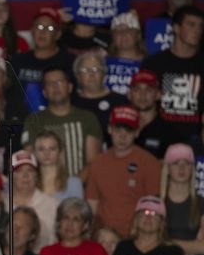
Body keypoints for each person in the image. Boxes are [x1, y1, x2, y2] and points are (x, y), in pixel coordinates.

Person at [85, 105, 162, 238]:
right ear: (109, 129)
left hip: (137, 236)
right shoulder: (97, 163)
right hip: (104, 236)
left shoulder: (149, 163)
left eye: (128, 130)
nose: (122, 135)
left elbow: (153, 207)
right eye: (117, 129)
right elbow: (92, 205)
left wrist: (142, 236)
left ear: (137, 132)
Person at [22, 67, 102, 179]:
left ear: (70, 87)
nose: (55, 87)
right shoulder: (34, 120)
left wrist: (73, 187)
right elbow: (29, 160)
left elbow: (93, 162)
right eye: (50, 83)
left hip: (80, 189)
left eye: (60, 82)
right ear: (44, 92)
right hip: (44, 188)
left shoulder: (87, 118)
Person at [141, 5, 204, 145]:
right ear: (175, 28)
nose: (197, 31)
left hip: (194, 142)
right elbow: (141, 100)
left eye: (200, 26)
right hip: (157, 139)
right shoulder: (153, 64)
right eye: (191, 25)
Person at [110, 196, 187, 255]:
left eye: (154, 214)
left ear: (162, 223)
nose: (148, 217)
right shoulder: (123, 247)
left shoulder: (174, 252)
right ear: (136, 219)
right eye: (144, 213)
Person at [40, 197, 114, 255]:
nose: (70, 224)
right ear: (59, 222)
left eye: (76, 219)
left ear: (85, 225)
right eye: (66, 218)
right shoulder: (47, 252)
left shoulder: (97, 250)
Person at [71, 51, 129, 146]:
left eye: (96, 69)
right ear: (77, 76)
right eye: (85, 70)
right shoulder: (70, 102)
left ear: (104, 73)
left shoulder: (120, 101)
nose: (91, 74)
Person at [160, 144, 204, 255]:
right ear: (167, 168)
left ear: (192, 168)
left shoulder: (201, 203)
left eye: (187, 163)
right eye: (176, 163)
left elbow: (203, 247)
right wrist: (191, 247)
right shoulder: (156, 202)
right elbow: (149, 242)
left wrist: (169, 243)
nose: (182, 168)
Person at [9, 8, 75, 87]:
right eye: (39, 27)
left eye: (50, 28)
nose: (43, 32)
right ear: (32, 31)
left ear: (58, 34)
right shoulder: (16, 61)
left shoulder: (70, 63)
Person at [9, 150, 59, 252]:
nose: (25, 176)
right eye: (19, 171)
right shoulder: (4, 204)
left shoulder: (53, 204)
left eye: (30, 170)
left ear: (36, 175)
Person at [130, 69, 182, 160]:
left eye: (148, 90)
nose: (142, 95)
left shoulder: (170, 134)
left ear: (158, 94)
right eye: (137, 89)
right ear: (129, 94)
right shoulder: (120, 128)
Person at [33, 130, 83, 201]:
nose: (47, 153)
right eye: (41, 149)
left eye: (52, 149)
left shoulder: (74, 183)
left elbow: (77, 211)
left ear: (59, 152)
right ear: (35, 153)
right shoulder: (29, 183)